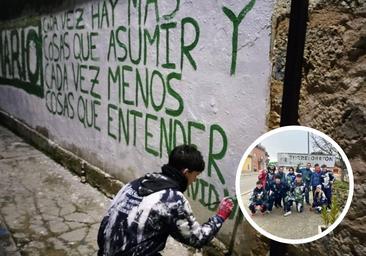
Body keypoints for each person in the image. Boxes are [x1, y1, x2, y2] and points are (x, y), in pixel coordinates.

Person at [97, 145, 234, 256]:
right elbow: (197, 239)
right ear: (186, 172)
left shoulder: (136, 183)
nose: (195, 180)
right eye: (195, 175)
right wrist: (220, 217)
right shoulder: (171, 199)